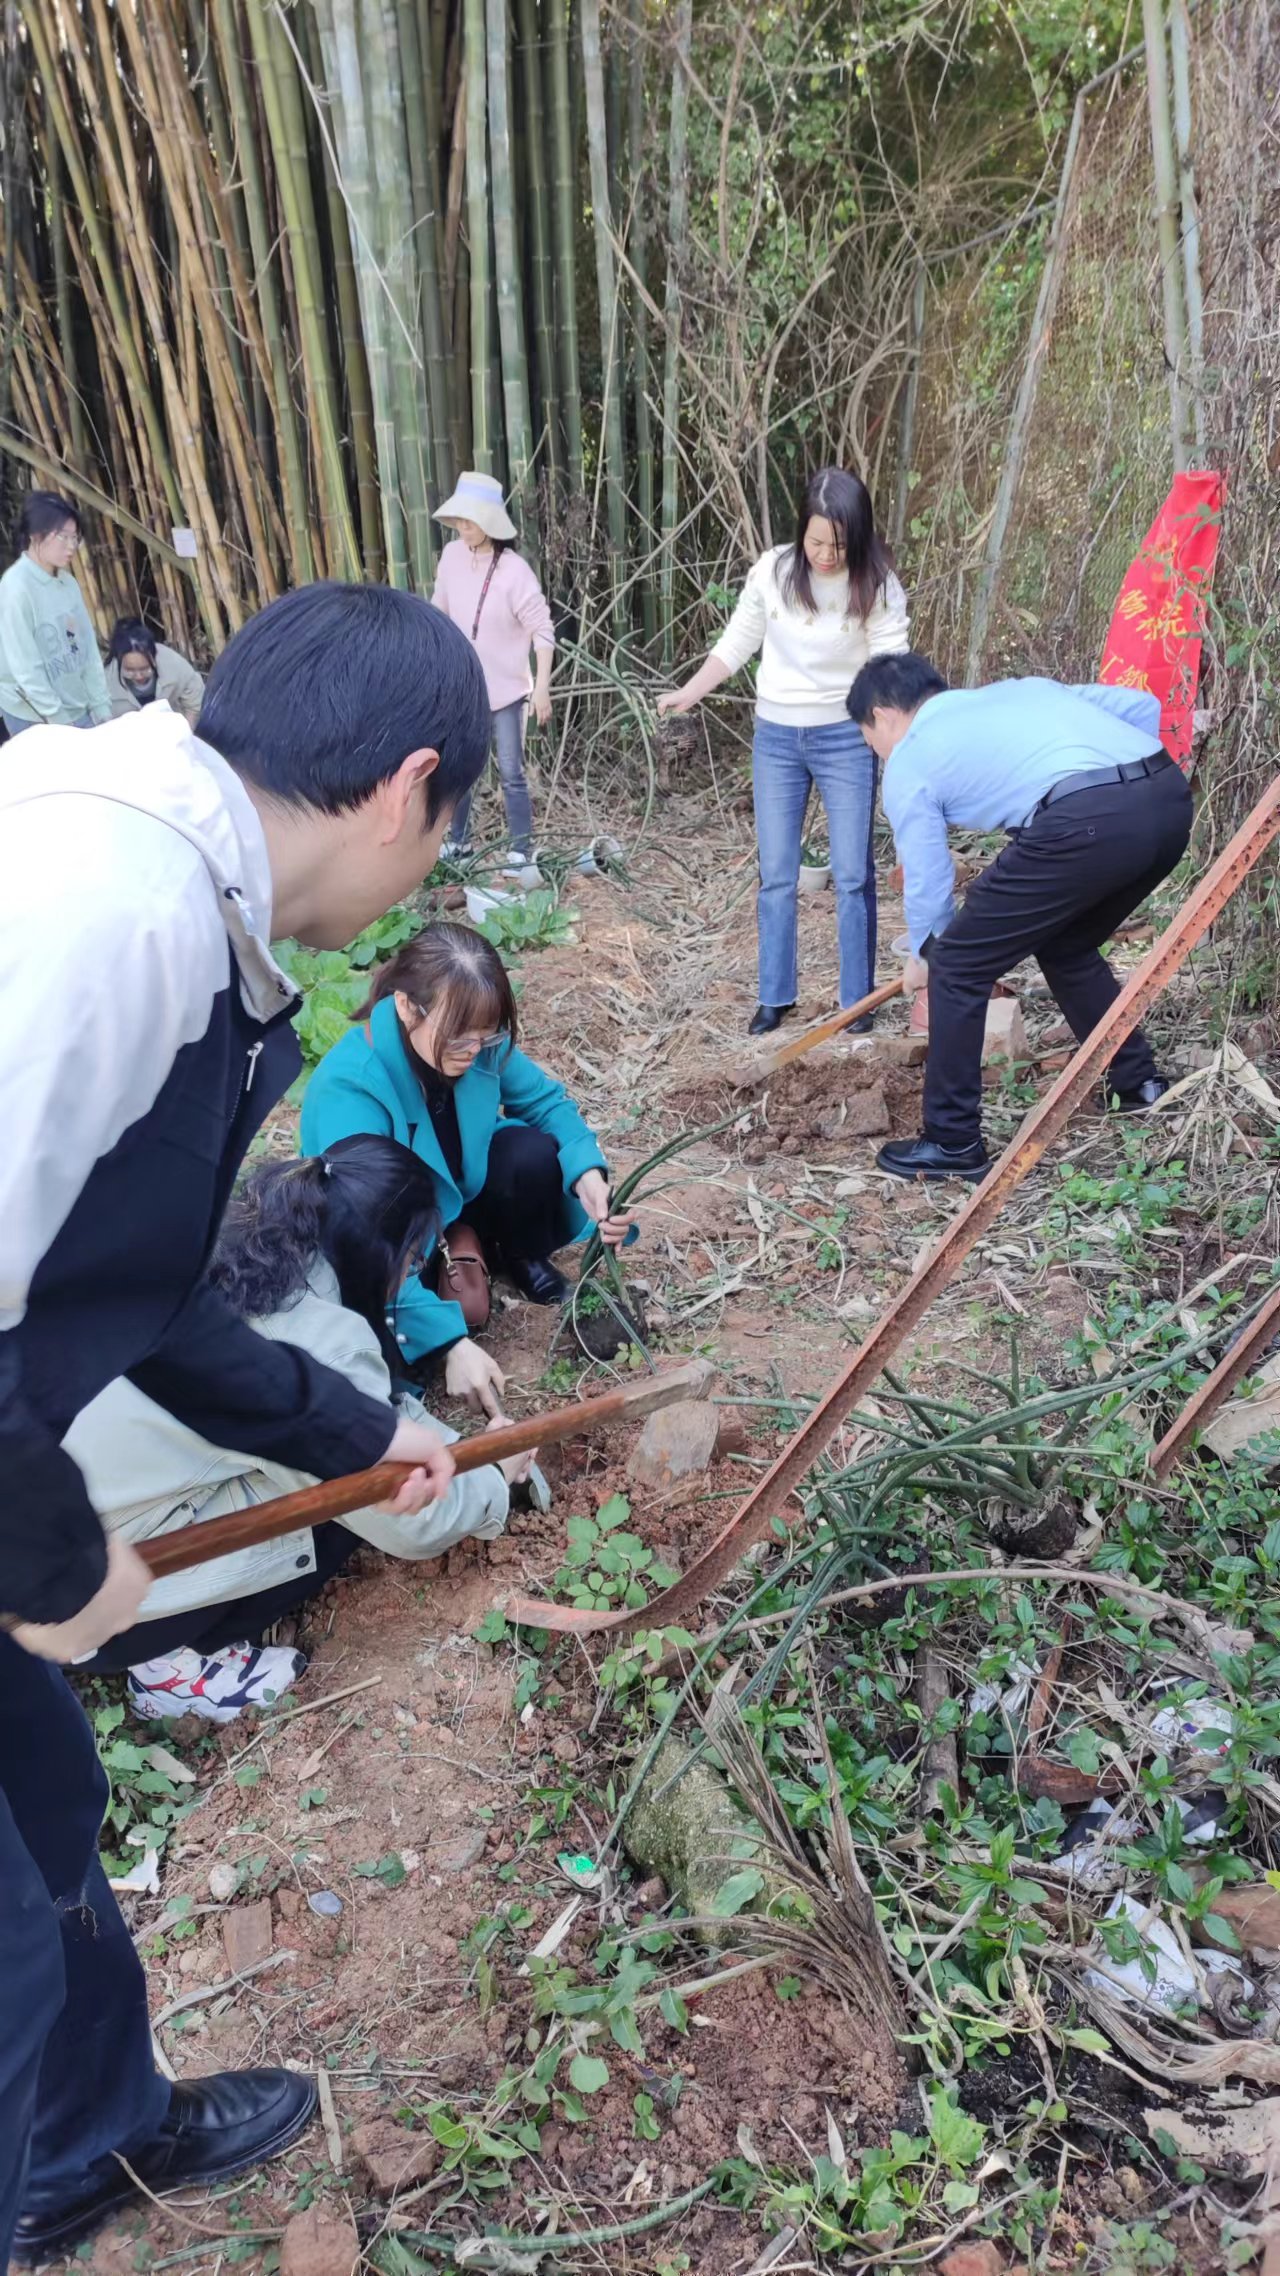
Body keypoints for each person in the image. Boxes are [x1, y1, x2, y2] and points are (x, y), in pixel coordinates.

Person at [0, 581, 492, 2266]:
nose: (428, 873)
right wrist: (57, 1554)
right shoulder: (111, 907)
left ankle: (90, 2140)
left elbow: (138, 1296)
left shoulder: (183, 899)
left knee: (53, 1808)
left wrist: (363, 1430)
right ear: (410, 784)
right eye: (446, 831)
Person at [67, 1137, 539, 1722]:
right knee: (333, 1511)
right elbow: (411, 1519)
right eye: (412, 1262)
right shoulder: (316, 1336)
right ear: (378, 1252)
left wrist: (447, 1442)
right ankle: (167, 1666)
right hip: (86, 1592)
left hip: (43, 1521)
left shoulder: (244, 1244)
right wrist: (491, 1475)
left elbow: (368, 1414)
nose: (409, 1280)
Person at [849, 652, 1193, 1182]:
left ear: (883, 715)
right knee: (1067, 944)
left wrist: (926, 955)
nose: (876, 751)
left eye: (869, 739)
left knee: (959, 966)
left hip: (1086, 822)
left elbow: (927, 872)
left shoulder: (910, 757)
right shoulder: (1019, 691)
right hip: (1166, 798)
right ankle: (1138, 1085)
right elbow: (1140, 706)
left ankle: (952, 1142)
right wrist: (1125, 792)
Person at [300, 922, 634, 1416]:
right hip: (391, 1235)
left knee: (532, 1154)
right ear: (407, 1005)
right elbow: (361, 1235)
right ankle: (434, 1297)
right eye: (459, 1036)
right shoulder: (351, 1088)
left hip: (457, 1195)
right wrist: (449, 1343)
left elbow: (547, 1104)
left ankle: (515, 1254)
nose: (474, 1050)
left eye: (487, 1034)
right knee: (391, 1368)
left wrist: (587, 1171)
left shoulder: (479, 1042)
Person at [656, 467, 909, 1036]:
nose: (825, 553)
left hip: (847, 737)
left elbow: (890, 670)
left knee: (850, 872)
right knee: (776, 873)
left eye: (838, 544)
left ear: (859, 536)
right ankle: (775, 996)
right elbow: (739, 641)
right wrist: (691, 691)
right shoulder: (773, 570)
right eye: (815, 541)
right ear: (802, 532)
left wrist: (895, 742)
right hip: (776, 737)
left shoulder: (877, 585)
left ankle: (855, 1002)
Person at [431, 471, 555, 867]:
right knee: (461, 770)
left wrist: (542, 688)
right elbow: (440, 613)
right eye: (459, 520)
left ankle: (520, 850)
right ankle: (459, 843)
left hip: (507, 691)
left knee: (512, 773)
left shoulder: (514, 571)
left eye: (469, 521)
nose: (462, 528)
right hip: (465, 689)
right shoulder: (451, 557)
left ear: (489, 523)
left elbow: (543, 630)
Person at [0, 492, 112, 735]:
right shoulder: (15, 588)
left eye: (75, 538)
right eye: (63, 537)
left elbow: (86, 648)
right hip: (33, 715)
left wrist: (101, 705)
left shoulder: (68, 583)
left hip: (76, 707)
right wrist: (58, 719)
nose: (72, 546)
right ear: (35, 535)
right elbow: (25, 668)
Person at [105, 616, 205, 726]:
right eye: (130, 670)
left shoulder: (172, 663)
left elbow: (195, 703)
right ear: (118, 660)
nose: (138, 676)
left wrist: (185, 736)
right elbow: (102, 724)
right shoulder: (105, 681)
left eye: (144, 669)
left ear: (154, 657)